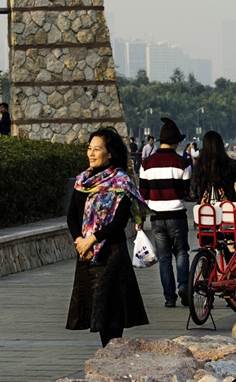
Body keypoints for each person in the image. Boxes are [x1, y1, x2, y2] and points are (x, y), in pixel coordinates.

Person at [66, 128, 150, 346]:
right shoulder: (83, 180)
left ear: (110, 153)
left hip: (111, 254)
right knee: (96, 310)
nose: (91, 154)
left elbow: (120, 221)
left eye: (97, 149)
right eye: (89, 149)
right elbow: (71, 216)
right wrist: (79, 241)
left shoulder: (119, 181)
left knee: (111, 315)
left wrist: (91, 239)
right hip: (87, 254)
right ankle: (108, 359)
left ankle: (111, 359)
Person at [140, 119, 193, 309]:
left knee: (164, 258)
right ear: (176, 142)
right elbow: (186, 192)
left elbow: (143, 194)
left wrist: (140, 219)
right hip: (177, 215)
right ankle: (184, 285)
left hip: (157, 216)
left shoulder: (146, 164)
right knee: (181, 252)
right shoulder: (183, 162)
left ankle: (170, 298)